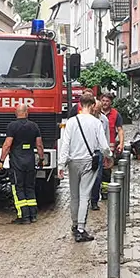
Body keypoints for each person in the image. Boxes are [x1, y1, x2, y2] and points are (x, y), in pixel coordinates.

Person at [59, 93, 113, 242]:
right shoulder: (96, 123)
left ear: (80, 104)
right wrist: (109, 156)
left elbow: (65, 144)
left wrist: (61, 164)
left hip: (73, 161)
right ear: (93, 105)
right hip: (89, 161)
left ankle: (74, 224)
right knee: (84, 196)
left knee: (74, 195)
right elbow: (103, 145)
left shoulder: (71, 122)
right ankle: (81, 229)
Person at [0, 103, 45, 225]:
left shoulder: (12, 126)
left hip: (17, 163)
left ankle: (23, 216)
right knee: (29, 187)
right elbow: (39, 145)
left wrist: (1, 161)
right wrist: (41, 159)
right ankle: (33, 215)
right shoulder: (34, 126)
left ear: (16, 113)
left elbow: (7, 145)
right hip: (30, 162)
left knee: (18, 188)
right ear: (27, 113)